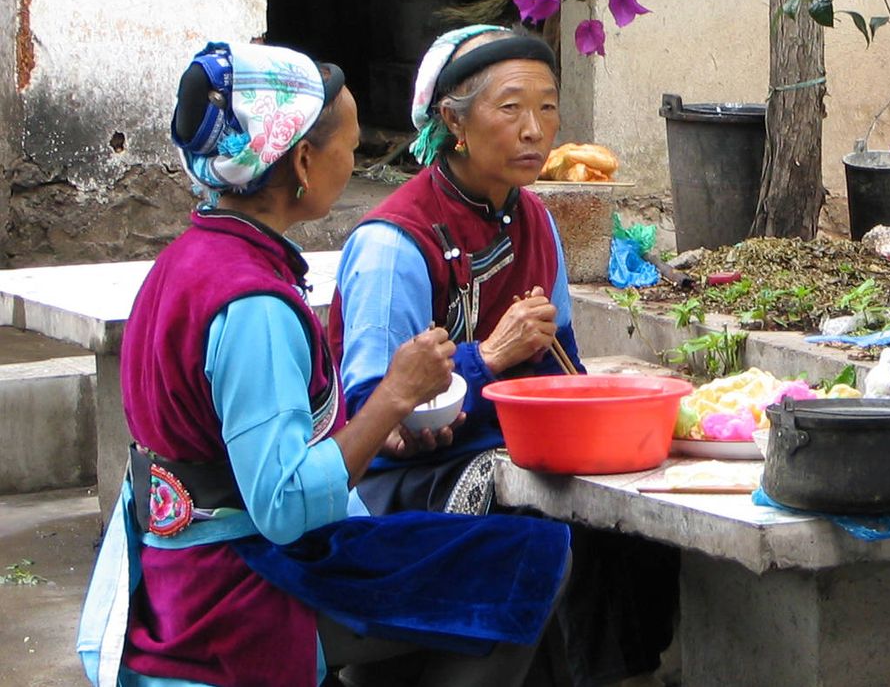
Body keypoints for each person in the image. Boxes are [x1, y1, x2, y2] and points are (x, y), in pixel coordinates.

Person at [76, 42, 569, 687]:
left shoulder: (188, 260)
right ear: (304, 160)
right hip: (237, 585)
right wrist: (394, 397)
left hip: (190, 561)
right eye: (351, 146)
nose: (356, 163)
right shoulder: (255, 304)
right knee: (527, 562)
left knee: (477, 558)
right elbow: (283, 505)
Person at [330, 25, 675, 686]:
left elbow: (563, 366)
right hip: (404, 478)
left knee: (633, 523)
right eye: (510, 107)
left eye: (547, 107)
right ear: (454, 124)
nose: (534, 129)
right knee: (541, 532)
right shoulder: (393, 245)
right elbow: (373, 420)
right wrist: (484, 357)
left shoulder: (536, 220)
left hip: (518, 446)